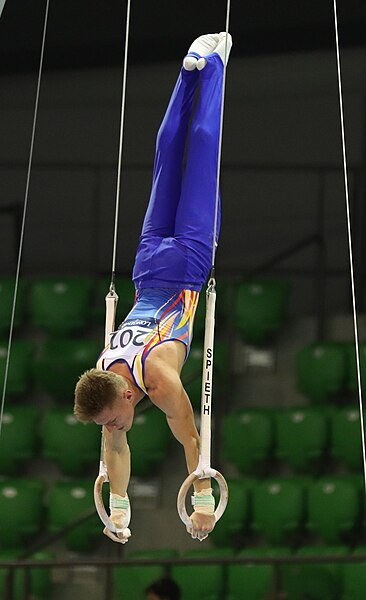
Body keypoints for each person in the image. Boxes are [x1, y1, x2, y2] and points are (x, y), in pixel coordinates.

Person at [74, 32, 232, 544]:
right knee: (164, 162)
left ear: (124, 393)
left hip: (185, 262)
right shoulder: (105, 382)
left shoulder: (157, 380)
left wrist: (203, 499)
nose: (114, 426)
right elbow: (115, 449)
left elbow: (192, 436)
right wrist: (118, 510)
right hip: (146, 265)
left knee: (200, 155)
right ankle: (186, 73)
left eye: (113, 418)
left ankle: (213, 68)